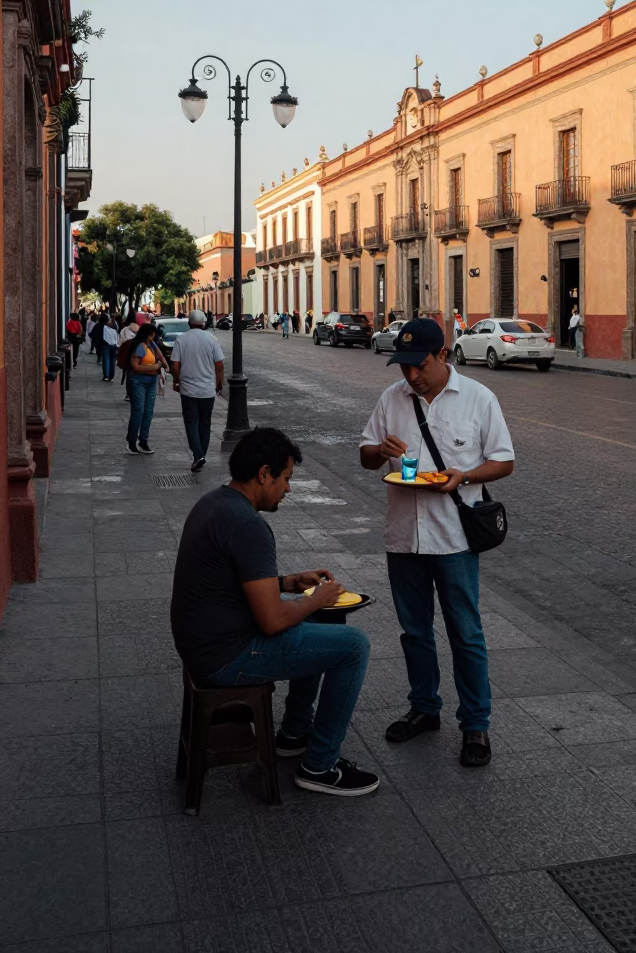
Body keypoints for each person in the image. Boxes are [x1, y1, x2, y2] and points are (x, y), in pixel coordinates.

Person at [170, 426, 379, 797]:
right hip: (225, 656)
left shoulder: (215, 502)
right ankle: (320, 766)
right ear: (264, 473)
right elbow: (271, 621)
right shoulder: (250, 526)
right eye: (285, 478)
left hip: (200, 643)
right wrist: (317, 597)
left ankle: (294, 733)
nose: (288, 488)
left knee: (320, 619)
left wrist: (288, 583)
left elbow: (232, 580)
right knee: (354, 646)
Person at [359, 317, 515, 768]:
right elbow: (366, 455)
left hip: (454, 540)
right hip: (404, 536)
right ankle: (424, 709)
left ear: (442, 356)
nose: (410, 375)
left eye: (419, 365)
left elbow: (503, 461)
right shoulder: (392, 399)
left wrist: (465, 475)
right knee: (414, 632)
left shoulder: (479, 399)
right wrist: (379, 452)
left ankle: (476, 724)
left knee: (465, 633)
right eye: (403, 366)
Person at [170, 308, 225, 472]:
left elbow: (174, 365)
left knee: (191, 422)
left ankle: (198, 454)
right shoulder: (211, 339)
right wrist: (219, 382)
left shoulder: (181, 340)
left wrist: (176, 379)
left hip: (188, 390)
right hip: (208, 390)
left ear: (189, 323)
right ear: (203, 324)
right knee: (205, 423)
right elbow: (220, 364)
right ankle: (202, 454)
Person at [126, 323, 164, 454]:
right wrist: (153, 368)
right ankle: (132, 441)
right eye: (153, 334)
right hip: (138, 381)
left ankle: (143, 441)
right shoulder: (140, 346)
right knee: (139, 411)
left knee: (148, 412)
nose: (155, 336)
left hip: (151, 381)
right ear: (149, 334)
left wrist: (163, 366)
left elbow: (162, 358)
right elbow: (135, 366)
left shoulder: (152, 345)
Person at [118, 311, 139, 401]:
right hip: (140, 356)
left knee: (129, 375)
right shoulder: (142, 329)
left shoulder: (124, 330)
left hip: (128, 357)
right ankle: (136, 393)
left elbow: (119, 343)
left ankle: (129, 394)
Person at [100, 313, 119, 382]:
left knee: (106, 359)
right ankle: (111, 376)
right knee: (112, 360)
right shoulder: (114, 324)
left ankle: (106, 376)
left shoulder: (102, 325)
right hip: (114, 344)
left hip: (106, 343)